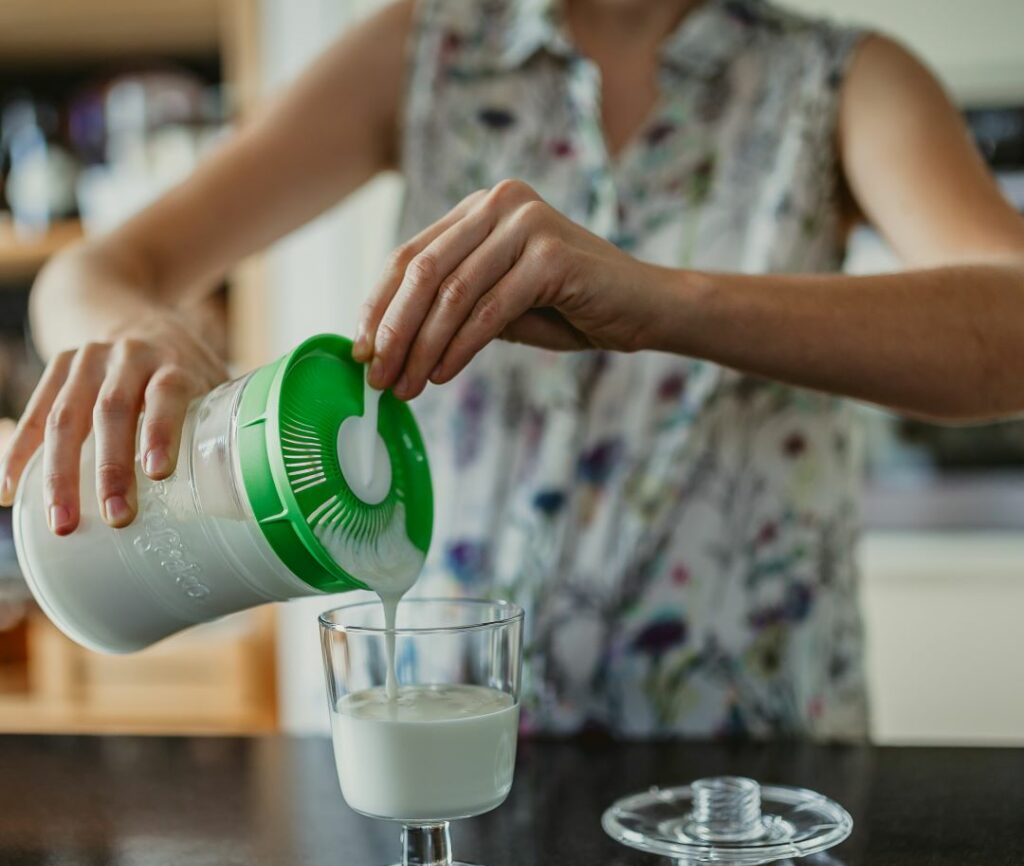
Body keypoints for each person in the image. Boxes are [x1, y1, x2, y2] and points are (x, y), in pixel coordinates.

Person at [3, 0, 1023, 739]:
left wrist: (662, 302)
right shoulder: (427, 50)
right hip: (445, 746)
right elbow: (93, 272)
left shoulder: (839, 78)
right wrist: (138, 330)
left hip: (749, 768)